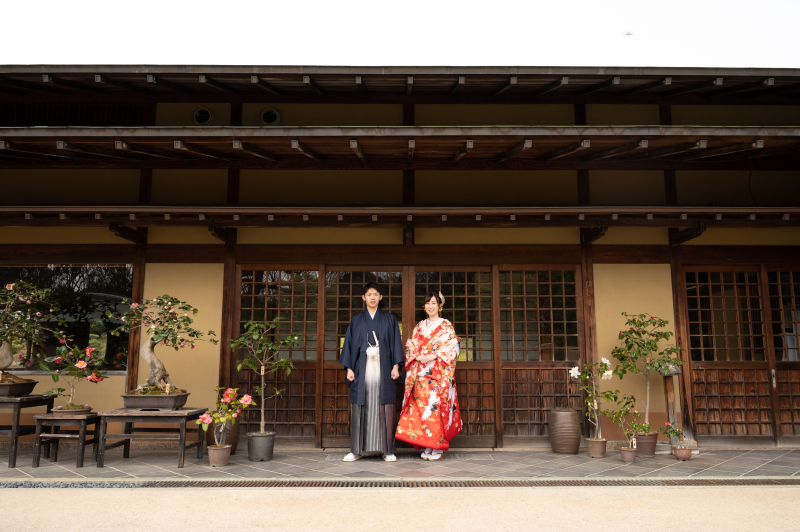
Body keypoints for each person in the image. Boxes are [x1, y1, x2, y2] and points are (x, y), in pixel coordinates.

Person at [339, 281, 404, 462]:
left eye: (376, 294)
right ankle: (356, 450)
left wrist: (396, 366)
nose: (372, 297)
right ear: (363, 297)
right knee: (360, 406)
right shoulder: (356, 320)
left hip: (384, 368)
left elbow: (395, 343)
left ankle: (387, 450)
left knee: (385, 407)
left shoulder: (390, 319)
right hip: (362, 368)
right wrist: (349, 368)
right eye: (369, 294)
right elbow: (350, 345)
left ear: (380, 297)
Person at [395, 291, 462, 461]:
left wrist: (433, 355)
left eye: (434, 303)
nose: (430, 306)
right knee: (422, 412)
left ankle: (437, 446)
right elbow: (410, 345)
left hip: (437, 375)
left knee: (436, 410)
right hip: (420, 376)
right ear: (424, 306)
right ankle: (427, 444)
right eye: (427, 303)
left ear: (440, 305)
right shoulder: (420, 326)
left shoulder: (446, 325)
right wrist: (417, 356)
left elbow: (452, 347)